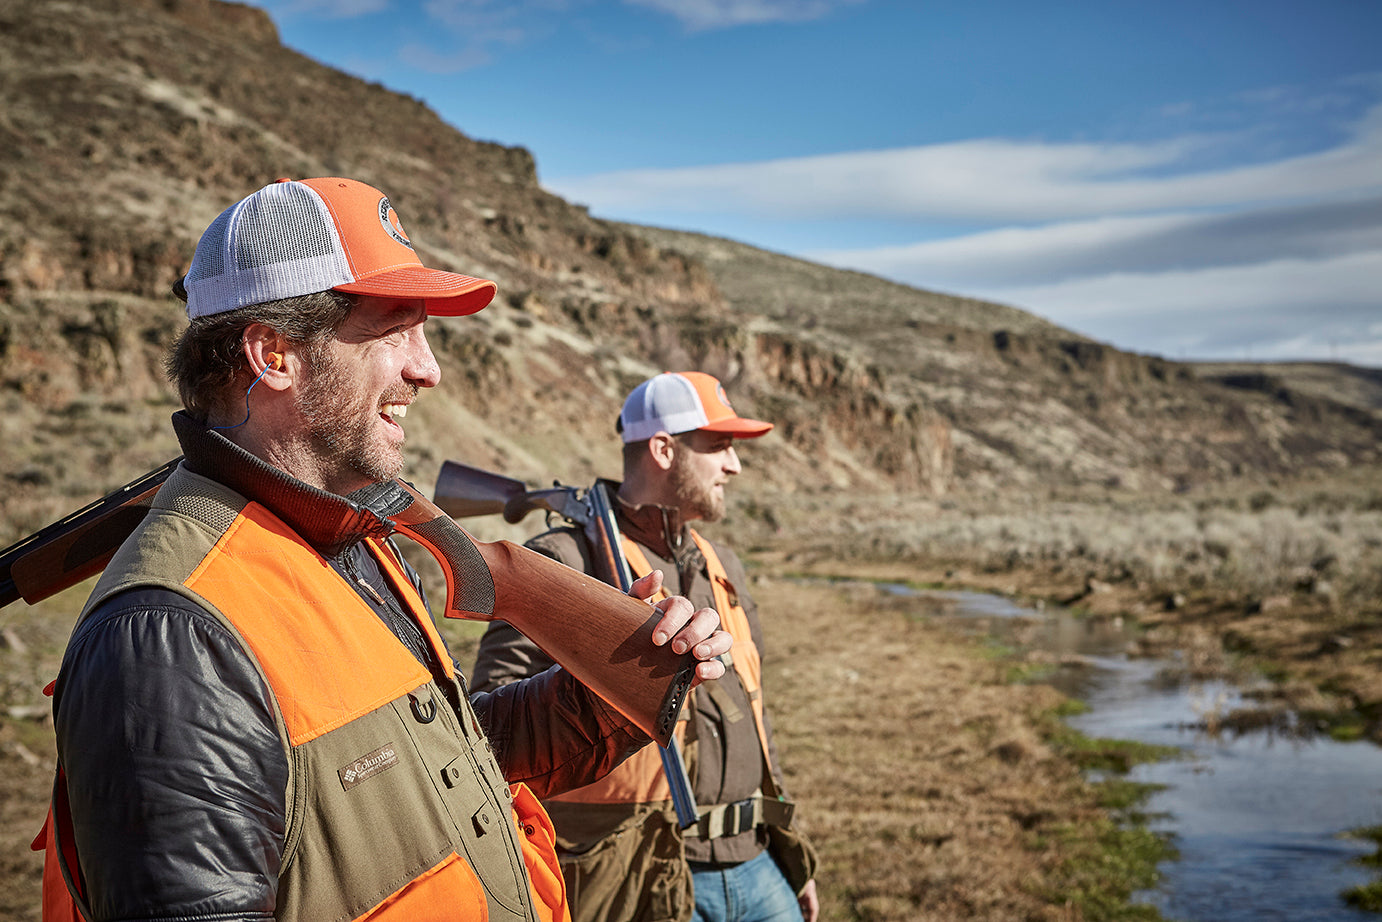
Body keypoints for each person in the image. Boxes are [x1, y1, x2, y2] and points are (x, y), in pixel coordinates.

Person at [39, 177, 732, 922]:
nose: (428, 368)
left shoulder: (355, 540)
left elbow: (450, 761)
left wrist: (616, 682)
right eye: (396, 330)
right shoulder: (172, 637)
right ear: (274, 354)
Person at [472, 371, 820, 922]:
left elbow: (754, 710)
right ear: (663, 449)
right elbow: (490, 727)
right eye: (720, 447)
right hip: (633, 876)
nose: (735, 465)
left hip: (755, 862)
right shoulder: (562, 559)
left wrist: (789, 855)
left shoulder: (720, 563)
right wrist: (615, 672)